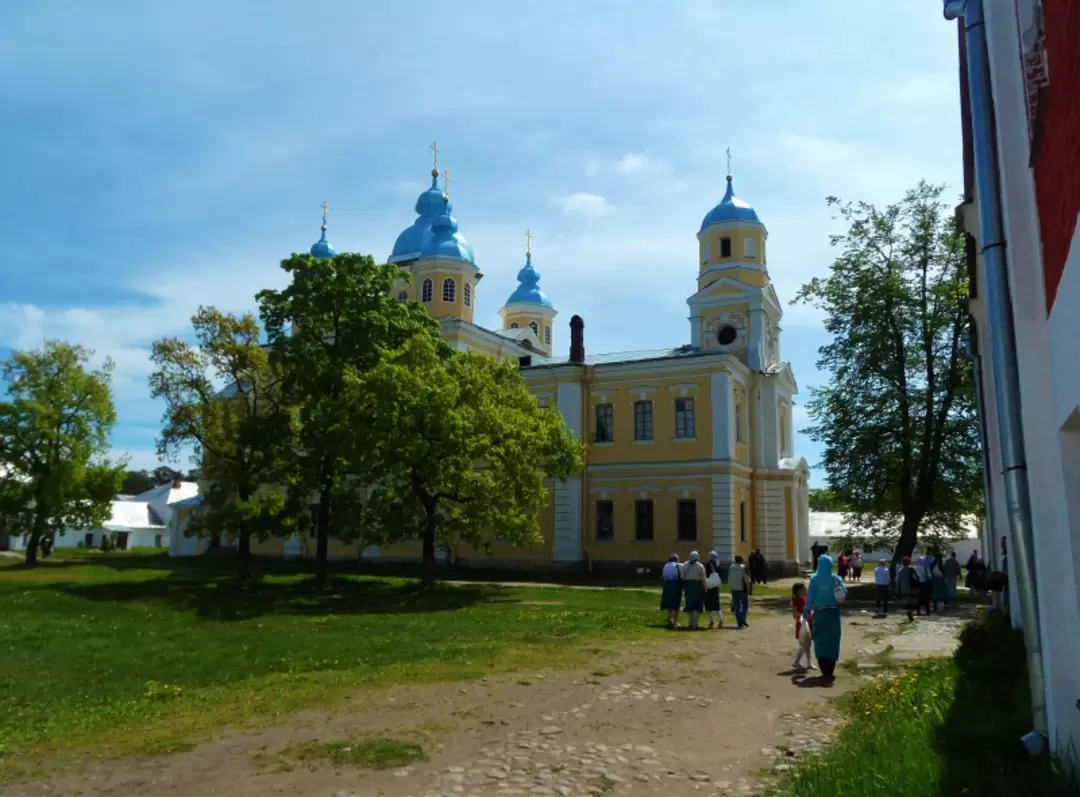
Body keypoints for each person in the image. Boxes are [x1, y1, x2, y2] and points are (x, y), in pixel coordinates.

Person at [803, 554, 847, 680]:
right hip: (833, 614)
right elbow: (844, 593)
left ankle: (823, 669)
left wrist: (806, 610)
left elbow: (810, 597)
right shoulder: (835, 579)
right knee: (833, 639)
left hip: (820, 613)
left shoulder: (814, 579)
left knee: (820, 639)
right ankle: (831, 669)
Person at [791, 583, 815, 670]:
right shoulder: (795, 599)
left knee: (807, 644)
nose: (805, 590)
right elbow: (795, 613)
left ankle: (800, 662)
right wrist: (802, 616)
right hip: (802, 624)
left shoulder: (806, 598)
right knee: (804, 644)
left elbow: (810, 608)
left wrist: (811, 613)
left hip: (808, 622)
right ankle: (804, 662)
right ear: (798, 591)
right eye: (803, 589)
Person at [681, 551, 708, 629]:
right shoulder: (700, 566)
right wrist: (705, 588)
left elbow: (682, 577)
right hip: (698, 586)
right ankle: (695, 623)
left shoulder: (685, 565)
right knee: (698, 605)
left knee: (689, 604)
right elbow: (703, 578)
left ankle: (690, 622)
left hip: (688, 586)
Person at [727, 554, 752, 628]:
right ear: (741, 560)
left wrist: (730, 587)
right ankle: (742, 619)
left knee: (737, 606)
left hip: (734, 588)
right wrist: (749, 587)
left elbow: (729, 578)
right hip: (742, 588)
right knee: (745, 605)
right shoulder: (743, 567)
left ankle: (739, 621)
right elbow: (746, 578)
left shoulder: (731, 567)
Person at [660, 554, 683, 628]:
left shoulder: (666, 565)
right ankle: (675, 621)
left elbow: (663, 576)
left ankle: (669, 618)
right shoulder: (677, 565)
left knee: (670, 602)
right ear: (676, 559)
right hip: (675, 584)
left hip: (666, 584)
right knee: (676, 603)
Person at [704, 551, 724, 629]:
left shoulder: (710, 563)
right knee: (717, 604)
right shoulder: (717, 563)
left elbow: (712, 572)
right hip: (715, 586)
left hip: (709, 584)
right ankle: (721, 620)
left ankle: (712, 621)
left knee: (709, 604)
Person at [897, 556, 919, 622]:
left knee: (907, 602)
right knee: (913, 602)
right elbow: (918, 577)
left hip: (904, 589)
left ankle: (909, 612)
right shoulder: (913, 569)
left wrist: (898, 589)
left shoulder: (900, 570)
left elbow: (898, 581)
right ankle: (911, 613)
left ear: (903, 563)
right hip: (912, 588)